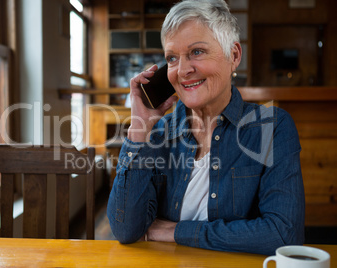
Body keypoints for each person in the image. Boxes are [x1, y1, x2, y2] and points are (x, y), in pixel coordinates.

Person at [107, 0, 305, 255]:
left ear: (234, 56)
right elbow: (125, 229)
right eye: (172, 58)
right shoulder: (156, 134)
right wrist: (139, 128)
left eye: (197, 52)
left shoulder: (271, 126)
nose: (183, 70)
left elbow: (283, 234)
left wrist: (176, 231)